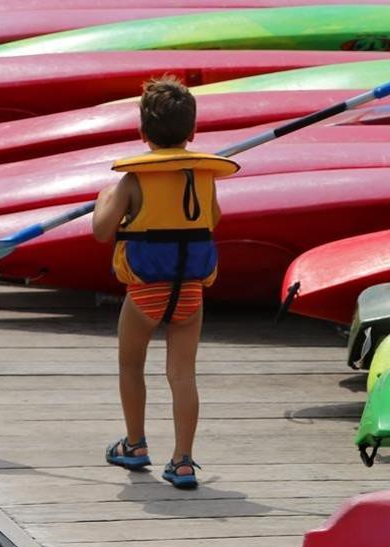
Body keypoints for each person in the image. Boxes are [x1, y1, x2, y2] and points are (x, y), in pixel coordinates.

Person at [92, 75, 239, 489]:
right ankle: (183, 461)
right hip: (190, 290)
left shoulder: (131, 180)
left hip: (144, 290)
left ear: (142, 133)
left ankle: (135, 444)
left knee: (130, 364)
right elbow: (214, 218)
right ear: (193, 133)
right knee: (183, 375)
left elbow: (103, 231)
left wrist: (107, 200)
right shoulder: (203, 176)